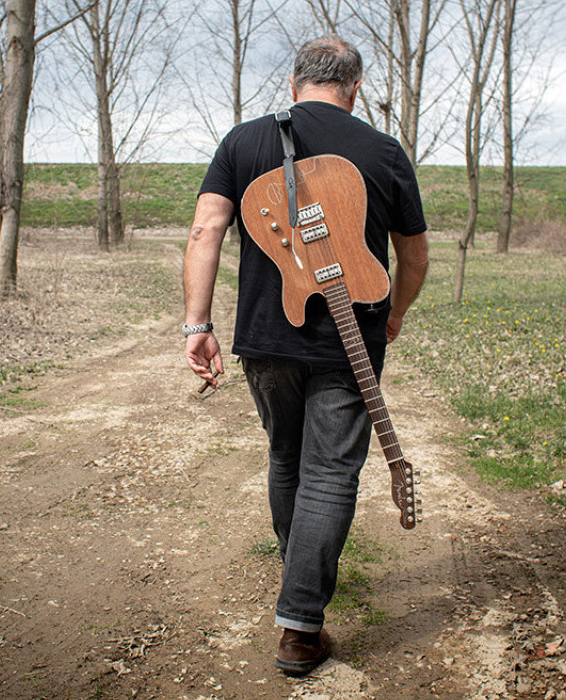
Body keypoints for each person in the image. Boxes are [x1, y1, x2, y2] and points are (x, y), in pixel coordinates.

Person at [182, 36, 429, 676]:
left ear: (294, 86)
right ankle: (299, 623)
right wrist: (395, 312)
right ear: (355, 90)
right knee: (328, 474)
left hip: (267, 337)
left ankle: (299, 585)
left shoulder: (242, 142)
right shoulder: (382, 150)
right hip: (352, 339)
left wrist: (197, 324)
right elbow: (416, 254)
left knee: (288, 458)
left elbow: (207, 228)